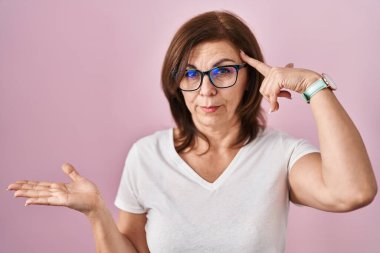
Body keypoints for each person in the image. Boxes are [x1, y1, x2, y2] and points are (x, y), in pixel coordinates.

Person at [7, 10, 377, 253]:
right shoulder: (145, 156)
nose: (206, 91)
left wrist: (314, 85)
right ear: (175, 82)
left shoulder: (281, 155)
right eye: (190, 73)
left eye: (223, 71)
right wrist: (95, 213)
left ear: (250, 78)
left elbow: (354, 192)